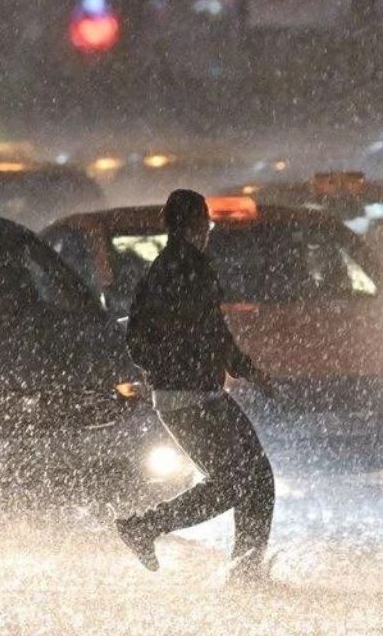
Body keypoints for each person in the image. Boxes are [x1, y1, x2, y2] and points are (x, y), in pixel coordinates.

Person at [117, 189, 278, 583]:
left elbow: (136, 336)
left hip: (188, 394)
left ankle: (246, 571)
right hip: (193, 396)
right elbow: (214, 332)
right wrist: (247, 370)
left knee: (253, 479)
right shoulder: (190, 268)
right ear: (194, 224)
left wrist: (163, 369)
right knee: (240, 482)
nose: (208, 226)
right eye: (204, 219)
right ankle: (147, 527)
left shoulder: (160, 270)